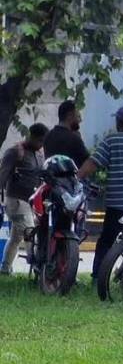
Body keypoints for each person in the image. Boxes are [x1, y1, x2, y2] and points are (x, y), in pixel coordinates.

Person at [78, 107, 123, 281]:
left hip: (116, 203)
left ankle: (98, 277)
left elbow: (94, 163)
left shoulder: (111, 141)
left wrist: (77, 177)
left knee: (106, 241)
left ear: (118, 122)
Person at [0, 124, 47, 275]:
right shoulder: (15, 152)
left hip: (31, 201)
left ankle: (5, 268)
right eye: (39, 141)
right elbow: (2, 176)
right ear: (31, 136)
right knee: (30, 232)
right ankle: (38, 269)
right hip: (16, 200)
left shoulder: (39, 154)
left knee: (16, 237)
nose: (41, 145)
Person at [43, 100, 90, 168]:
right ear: (70, 115)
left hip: (52, 178)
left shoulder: (48, 137)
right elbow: (87, 162)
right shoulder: (74, 139)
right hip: (72, 177)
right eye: (77, 116)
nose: (80, 120)